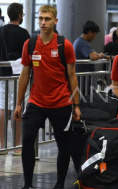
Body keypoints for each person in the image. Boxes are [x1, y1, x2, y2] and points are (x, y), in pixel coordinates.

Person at [13, 5, 81, 189]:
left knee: (63, 145)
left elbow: (72, 75)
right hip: (36, 101)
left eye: (47, 19)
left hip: (61, 102)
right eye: (41, 18)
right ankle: (27, 185)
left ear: (55, 21)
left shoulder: (64, 45)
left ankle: (59, 184)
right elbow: (25, 74)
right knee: (27, 141)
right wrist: (19, 103)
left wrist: (76, 105)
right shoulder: (31, 44)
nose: (43, 22)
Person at [0, 2, 30, 156]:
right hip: (19, 74)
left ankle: (1, 145)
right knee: (18, 107)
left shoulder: (1, 30)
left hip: (2, 73)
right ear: (19, 15)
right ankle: (17, 146)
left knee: (3, 108)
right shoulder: (23, 33)